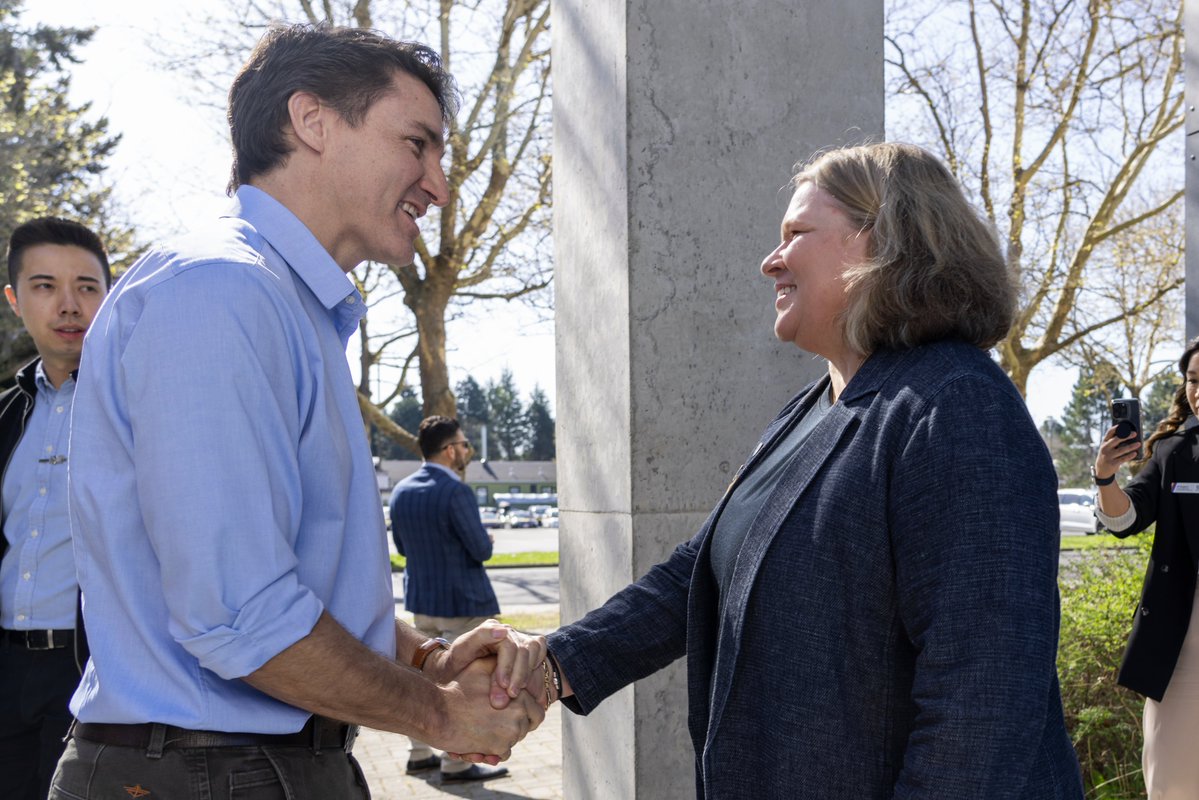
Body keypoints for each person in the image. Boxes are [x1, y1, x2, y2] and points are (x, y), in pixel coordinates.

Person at [51, 24, 544, 800]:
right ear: (311, 121)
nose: (439, 184)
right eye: (417, 144)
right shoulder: (220, 291)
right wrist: (439, 716)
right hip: (206, 772)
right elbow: (241, 616)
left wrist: (423, 659)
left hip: (241, 766)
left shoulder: (275, 302)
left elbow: (288, 589)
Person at [525, 143, 1085, 797]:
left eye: (795, 234)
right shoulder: (812, 408)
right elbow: (701, 572)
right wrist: (555, 662)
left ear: (880, 241)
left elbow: (982, 699)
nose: (770, 261)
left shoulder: (956, 406)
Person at [0, 217, 110, 800]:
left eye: (88, 287)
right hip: (7, 668)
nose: (70, 305)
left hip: (91, 671)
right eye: (45, 285)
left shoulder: (137, 411)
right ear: (15, 300)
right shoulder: (5, 418)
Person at [1093, 336, 1199, 799]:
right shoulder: (1174, 451)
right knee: (1174, 783)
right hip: (1184, 651)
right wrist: (1105, 477)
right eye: (1195, 380)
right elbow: (1125, 518)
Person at [390, 415, 509, 783]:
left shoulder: (401, 491)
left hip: (422, 597)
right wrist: (486, 542)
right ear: (450, 449)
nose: (466, 451)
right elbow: (479, 549)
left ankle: (419, 754)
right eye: (464, 445)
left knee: (421, 679)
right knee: (467, 683)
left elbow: (403, 548)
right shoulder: (456, 491)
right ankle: (456, 762)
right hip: (463, 601)